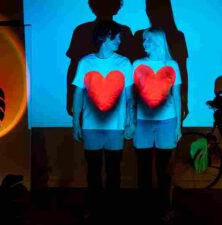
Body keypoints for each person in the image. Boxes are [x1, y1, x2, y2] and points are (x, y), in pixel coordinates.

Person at [72, 20, 134, 218]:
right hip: (91, 125)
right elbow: (78, 94)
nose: (120, 41)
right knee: (93, 170)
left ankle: (112, 209)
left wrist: (130, 121)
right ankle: (93, 208)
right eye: (117, 37)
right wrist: (75, 122)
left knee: (114, 170)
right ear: (106, 37)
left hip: (116, 126)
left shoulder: (124, 63)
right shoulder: (85, 62)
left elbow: (130, 96)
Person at [132, 27, 182, 218]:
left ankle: (166, 208)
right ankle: (145, 208)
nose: (145, 44)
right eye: (144, 40)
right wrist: (130, 120)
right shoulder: (137, 64)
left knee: (165, 171)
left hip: (167, 122)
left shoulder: (172, 65)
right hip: (143, 122)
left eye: (149, 40)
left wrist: (178, 125)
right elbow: (132, 96)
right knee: (143, 169)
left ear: (159, 42)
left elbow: (176, 96)